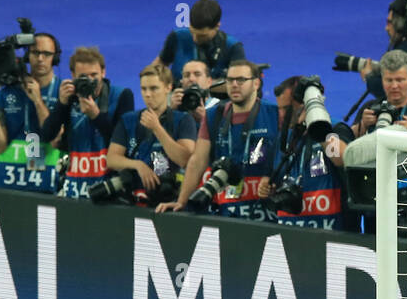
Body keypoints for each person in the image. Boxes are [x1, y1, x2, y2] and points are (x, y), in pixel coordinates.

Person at [159, 59, 279, 220]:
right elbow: (197, 161)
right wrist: (181, 201)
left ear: (256, 84)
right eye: (230, 80)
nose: (234, 84)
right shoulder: (213, 116)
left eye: (241, 80)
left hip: (267, 213)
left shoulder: (275, 114)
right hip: (228, 212)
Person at [39, 47, 134, 199]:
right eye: (83, 76)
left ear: (103, 72)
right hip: (74, 190)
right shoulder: (69, 97)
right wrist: (61, 104)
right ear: (73, 76)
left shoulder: (121, 96)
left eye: (94, 75)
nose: (90, 81)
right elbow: (46, 135)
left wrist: (96, 115)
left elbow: (126, 143)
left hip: (107, 192)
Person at [105, 63, 197, 206]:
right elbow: (111, 159)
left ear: (168, 88)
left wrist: (157, 129)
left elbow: (184, 159)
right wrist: (138, 165)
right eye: (143, 89)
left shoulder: (183, 120)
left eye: (154, 88)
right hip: (132, 200)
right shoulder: (128, 119)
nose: (148, 94)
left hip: (168, 199)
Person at [0, 33, 64, 193]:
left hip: (45, 185)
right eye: (35, 53)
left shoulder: (63, 93)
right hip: (5, 182)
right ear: (27, 56)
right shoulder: (6, 92)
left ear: (55, 58)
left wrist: (38, 101)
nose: (40, 58)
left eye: (46, 54)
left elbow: (56, 139)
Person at [270, 76, 353, 230]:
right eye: (279, 108)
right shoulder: (285, 137)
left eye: (286, 108)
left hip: (332, 235)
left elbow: (340, 158)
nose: (281, 115)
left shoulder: (333, 130)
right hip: (292, 232)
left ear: (303, 105)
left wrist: (317, 127)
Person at [151, 0, 246, 84]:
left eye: (202, 36)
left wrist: (206, 86)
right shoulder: (177, 37)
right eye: (192, 32)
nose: (195, 39)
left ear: (217, 26)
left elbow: (240, 83)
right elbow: (159, 65)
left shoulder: (233, 46)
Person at [350, 49, 407, 139]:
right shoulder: (370, 108)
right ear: (382, 80)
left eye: (400, 80)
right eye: (389, 80)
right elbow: (346, 142)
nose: (394, 86)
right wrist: (363, 125)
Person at [172, 59, 219, 129]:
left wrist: (205, 120)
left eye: (197, 74)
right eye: (186, 75)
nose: (191, 79)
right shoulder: (177, 106)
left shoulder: (220, 108)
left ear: (209, 81)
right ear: (181, 82)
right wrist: (172, 112)